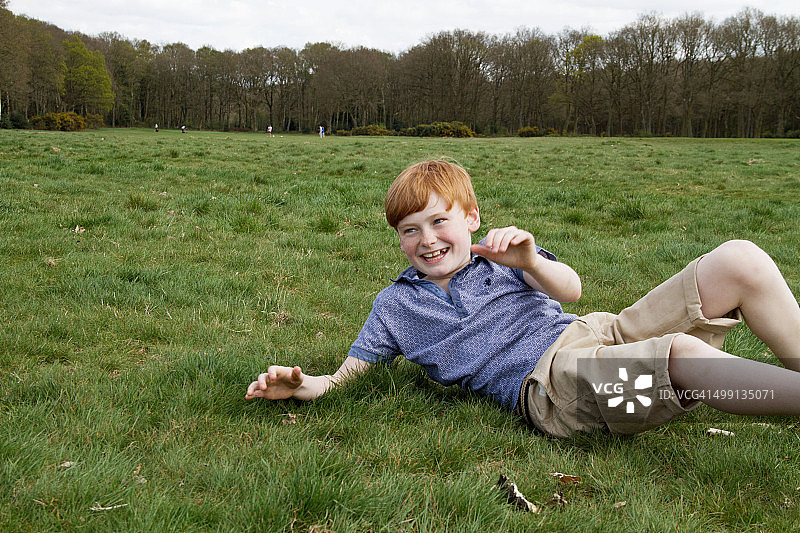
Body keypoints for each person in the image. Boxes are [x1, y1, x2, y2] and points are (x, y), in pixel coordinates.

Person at [245, 160, 800, 437]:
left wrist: (531, 261)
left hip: (597, 333)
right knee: (679, 356)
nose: (427, 239)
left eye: (439, 221)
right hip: (552, 391)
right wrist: (303, 385)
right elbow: (347, 374)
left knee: (739, 259)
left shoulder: (505, 256)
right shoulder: (396, 307)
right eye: (409, 230)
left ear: (472, 218)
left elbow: (573, 291)